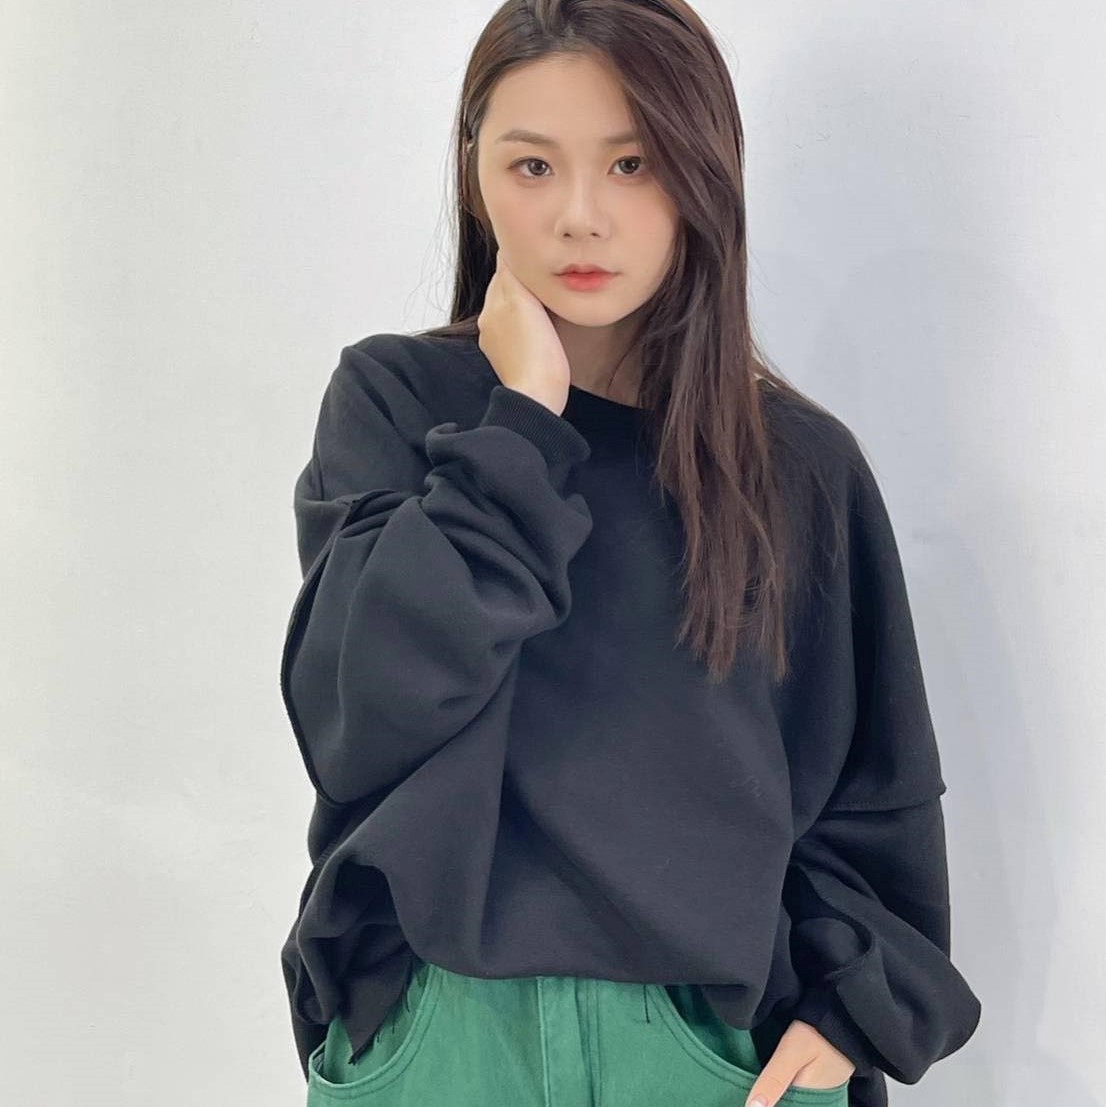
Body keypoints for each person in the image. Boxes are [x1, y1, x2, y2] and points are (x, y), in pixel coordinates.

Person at [278, 2, 983, 1105]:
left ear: (703, 172)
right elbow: (357, 715)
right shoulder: (399, 404)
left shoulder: (797, 464)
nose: (580, 217)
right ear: (475, 175)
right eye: (532, 166)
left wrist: (858, 1008)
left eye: (631, 163)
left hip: (710, 1054)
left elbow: (874, 782)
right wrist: (522, 421)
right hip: (443, 1038)